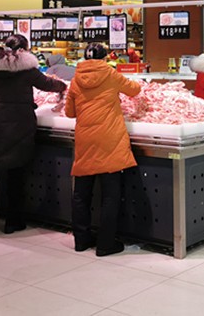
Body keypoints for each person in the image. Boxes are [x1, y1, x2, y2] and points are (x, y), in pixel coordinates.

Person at [0, 36, 67, 236]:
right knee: (15, 175)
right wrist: (63, 86)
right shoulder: (27, 69)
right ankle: (12, 222)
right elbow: (47, 84)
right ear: (24, 50)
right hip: (17, 126)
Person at [65, 43, 141, 256]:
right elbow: (135, 90)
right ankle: (106, 244)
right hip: (110, 139)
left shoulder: (76, 79)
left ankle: (81, 241)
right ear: (105, 58)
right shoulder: (111, 74)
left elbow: (70, 112)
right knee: (110, 194)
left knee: (81, 193)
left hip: (85, 139)